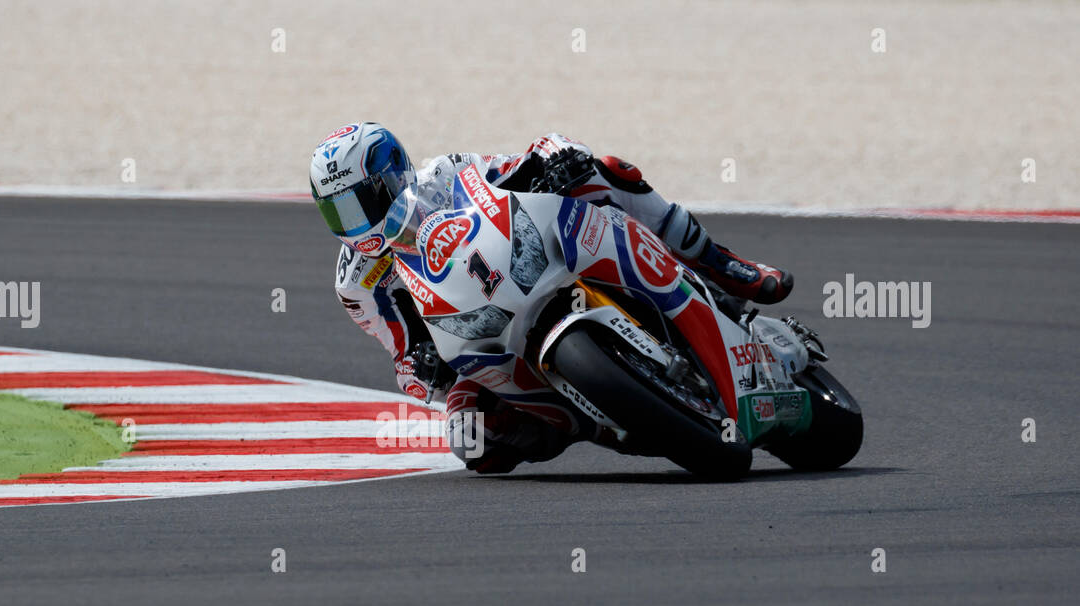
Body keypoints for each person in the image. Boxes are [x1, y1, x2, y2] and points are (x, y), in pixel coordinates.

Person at [309, 123, 797, 473]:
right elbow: (402, 359)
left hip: (532, 255)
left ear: (392, 176)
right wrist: (424, 370)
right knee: (470, 440)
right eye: (338, 213)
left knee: (605, 170)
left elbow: (514, 167)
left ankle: (722, 264)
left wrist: (554, 160)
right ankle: (584, 420)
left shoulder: (446, 175)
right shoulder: (358, 283)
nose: (354, 223)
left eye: (359, 203)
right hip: (481, 338)